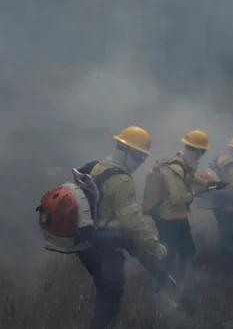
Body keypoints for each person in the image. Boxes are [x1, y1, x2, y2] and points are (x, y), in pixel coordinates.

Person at [78, 126, 167, 329]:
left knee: (105, 290)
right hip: (105, 248)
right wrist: (155, 245)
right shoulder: (122, 180)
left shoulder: (100, 166)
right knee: (111, 296)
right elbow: (132, 220)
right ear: (126, 151)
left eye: (143, 158)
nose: (140, 162)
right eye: (138, 156)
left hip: (89, 241)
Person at [141, 129, 209, 282]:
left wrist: (208, 184)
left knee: (187, 251)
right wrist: (194, 195)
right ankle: (160, 288)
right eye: (202, 151)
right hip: (169, 219)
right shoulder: (177, 167)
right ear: (197, 151)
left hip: (180, 217)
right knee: (167, 256)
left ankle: (182, 284)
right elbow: (177, 197)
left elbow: (190, 179)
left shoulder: (184, 164)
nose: (202, 155)